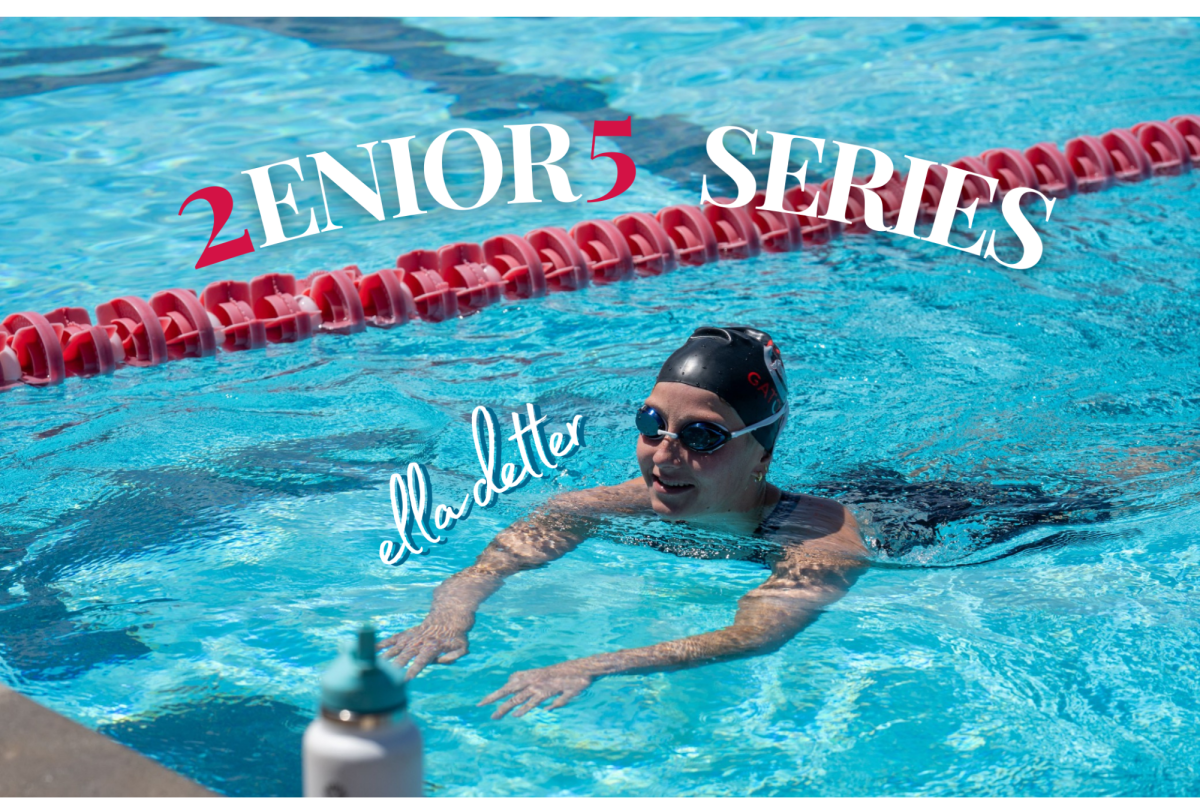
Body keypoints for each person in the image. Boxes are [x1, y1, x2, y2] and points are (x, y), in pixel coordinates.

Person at [379, 326, 870, 719]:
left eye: (702, 437)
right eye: (651, 425)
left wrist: (595, 666)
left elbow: (757, 635)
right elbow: (497, 562)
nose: (665, 454)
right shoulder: (611, 504)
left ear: (761, 455)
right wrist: (448, 616)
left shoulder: (822, 540)